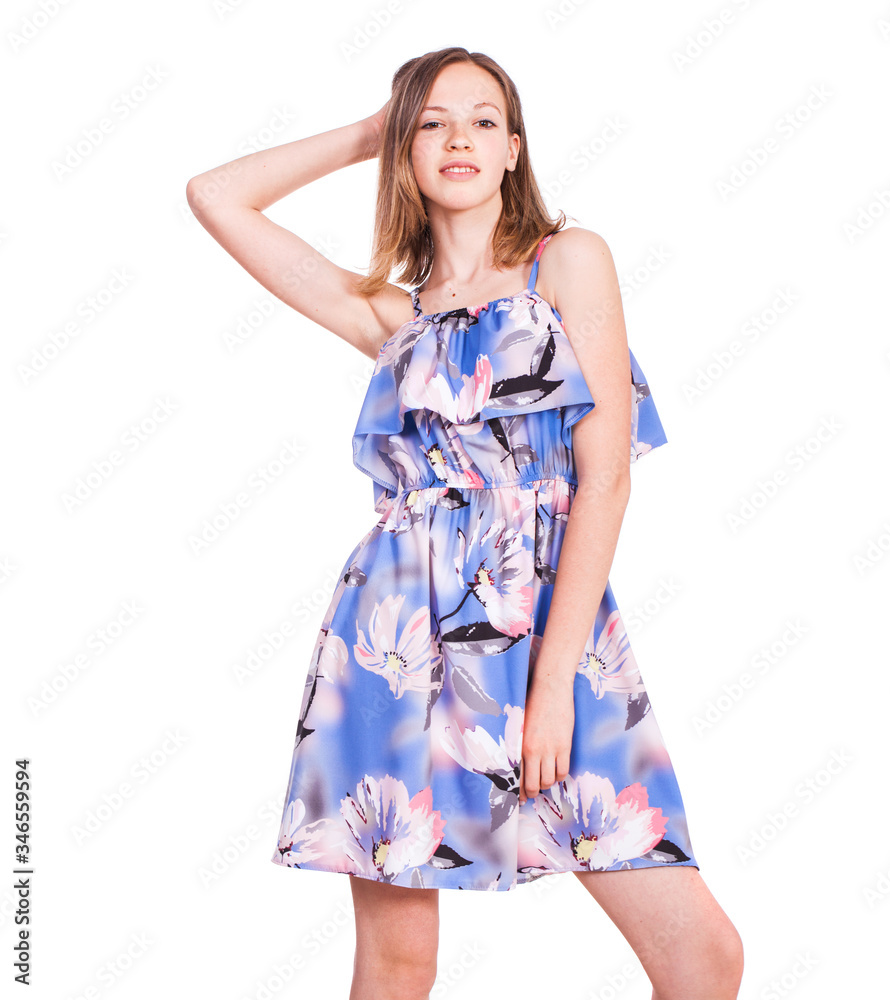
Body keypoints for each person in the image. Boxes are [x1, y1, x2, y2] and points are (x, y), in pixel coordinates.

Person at [187, 45, 743, 1000]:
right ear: (405, 149)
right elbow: (216, 195)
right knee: (399, 966)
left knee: (701, 957)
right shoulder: (389, 314)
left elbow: (605, 480)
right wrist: (373, 130)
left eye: (483, 120)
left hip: (552, 634)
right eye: (432, 122)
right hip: (394, 638)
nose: (459, 138)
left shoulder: (567, 261)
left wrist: (554, 686)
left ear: (513, 149)